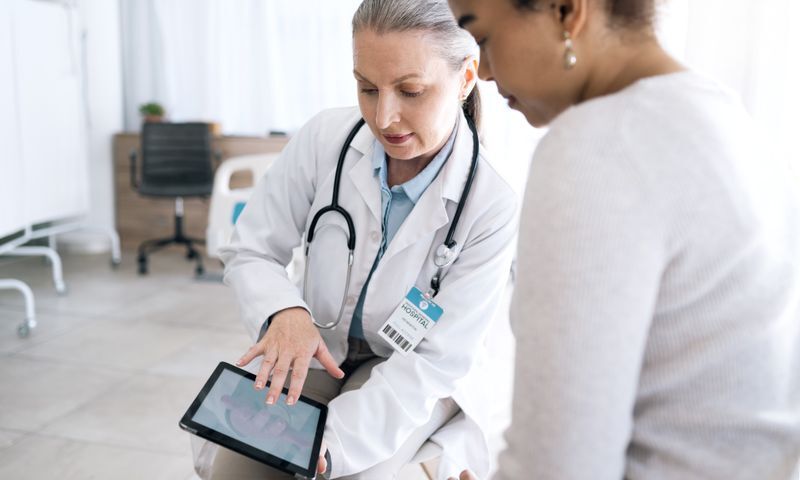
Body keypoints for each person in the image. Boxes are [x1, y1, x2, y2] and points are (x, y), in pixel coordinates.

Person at [445, 0, 800, 479]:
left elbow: (562, 469)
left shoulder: (598, 146)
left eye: (484, 38)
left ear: (566, 11)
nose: (485, 72)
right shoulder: (727, 119)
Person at [212, 0, 519, 478]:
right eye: (368, 88)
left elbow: (433, 363)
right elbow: (251, 248)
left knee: (347, 471)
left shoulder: (490, 204)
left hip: (412, 374)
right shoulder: (326, 139)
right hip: (320, 348)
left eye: (410, 91)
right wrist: (284, 311)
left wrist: (329, 445)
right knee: (239, 469)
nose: (385, 117)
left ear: (465, 78)